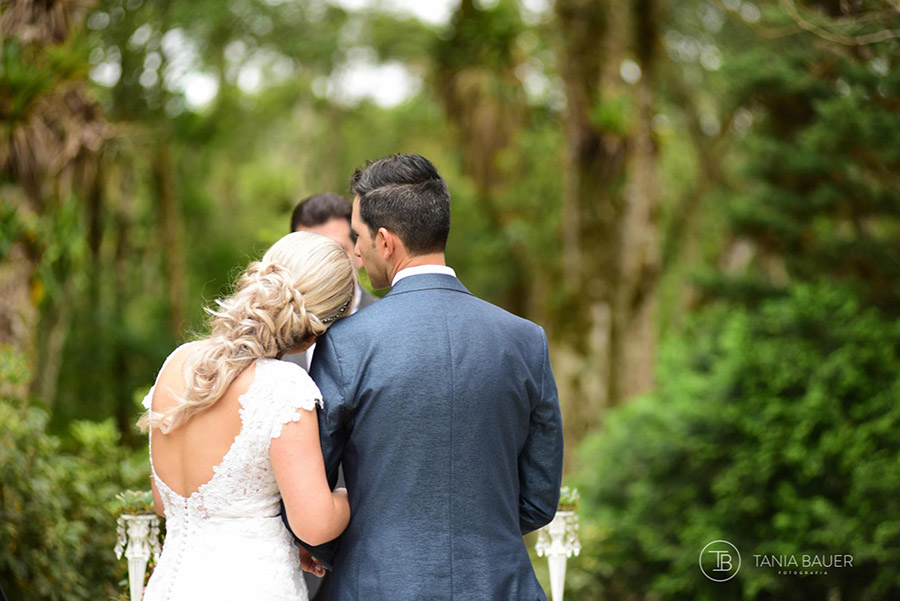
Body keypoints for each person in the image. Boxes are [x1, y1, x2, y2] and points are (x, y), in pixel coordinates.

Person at [292, 154, 564, 600]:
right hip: (500, 584)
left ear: (385, 241)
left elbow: (313, 490)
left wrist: (336, 547)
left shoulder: (345, 343)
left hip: (376, 584)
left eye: (357, 238)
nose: (355, 253)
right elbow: (538, 499)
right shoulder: (526, 340)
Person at [138, 232, 356, 601]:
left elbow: (166, 502)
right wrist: (358, 495)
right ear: (320, 326)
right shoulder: (283, 386)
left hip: (170, 587)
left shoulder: (176, 363)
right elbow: (316, 523)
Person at [286, 193, 377, 373]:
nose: (322, 264)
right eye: (309, 252)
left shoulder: (386, 321)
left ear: (358, 253)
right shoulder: (272, 326)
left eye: (335, 250)